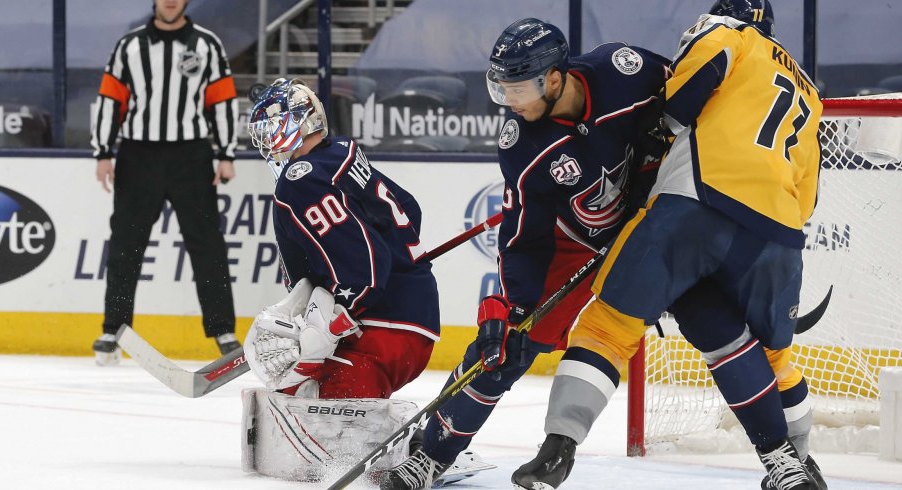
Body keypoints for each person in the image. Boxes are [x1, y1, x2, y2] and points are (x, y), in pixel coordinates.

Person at [512, 1, 826, 489]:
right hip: (779, 232)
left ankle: (558, 449)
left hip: (698, 200)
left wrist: (666, 125)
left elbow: (705, 65)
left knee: (608, 325)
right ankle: (794, 463)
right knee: (768, 353)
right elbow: (807, 194)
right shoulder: (808, 89)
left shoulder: (728, 30)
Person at [381, 18, 672, 490]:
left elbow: (694, 92)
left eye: (519, 90)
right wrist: (514, 307)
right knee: (503, 350)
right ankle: (431, 454)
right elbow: (525, 238)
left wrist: (667, 131)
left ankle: (784, 449)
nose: (510, 104)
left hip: (655, 227)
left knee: (719, 316)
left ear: (555, 78)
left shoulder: (626, 70)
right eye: (502, 91)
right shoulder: (522, 145)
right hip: (573, 243)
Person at [242, 78, 439, 401]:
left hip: (380, 328)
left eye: (274, 129)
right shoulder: (340, 154)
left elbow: (366, 264)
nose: (269, 142)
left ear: (301, 122)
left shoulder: (300, 179)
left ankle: (427, 449)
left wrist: (334, 320)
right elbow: (409, 209)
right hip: (413, 321)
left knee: (305, 401)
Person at [89, 0, 239, 366]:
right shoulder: (129, 46)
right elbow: (110, 98)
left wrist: (226, 153)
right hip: (138, 156)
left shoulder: (207, 44)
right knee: (126, 244)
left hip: (192, 157)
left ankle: (224, 332)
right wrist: (103, 152)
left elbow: (222, 100)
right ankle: (114, 329)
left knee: (207, 245)